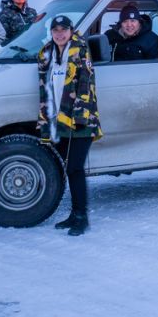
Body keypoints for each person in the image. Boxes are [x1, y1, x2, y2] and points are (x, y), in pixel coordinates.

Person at [38, 15, 103, 236]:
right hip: (58, 121)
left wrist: (80, 117)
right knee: (68, 169)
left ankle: (82, 217)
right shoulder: (46, 53)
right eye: (55, 30)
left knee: (75, 168)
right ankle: (74, 214)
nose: (59, 34)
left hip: (79, 120)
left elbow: (86, 85)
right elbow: (43, 87)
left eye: (63, 30)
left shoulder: (80, 50)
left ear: (70, 30)